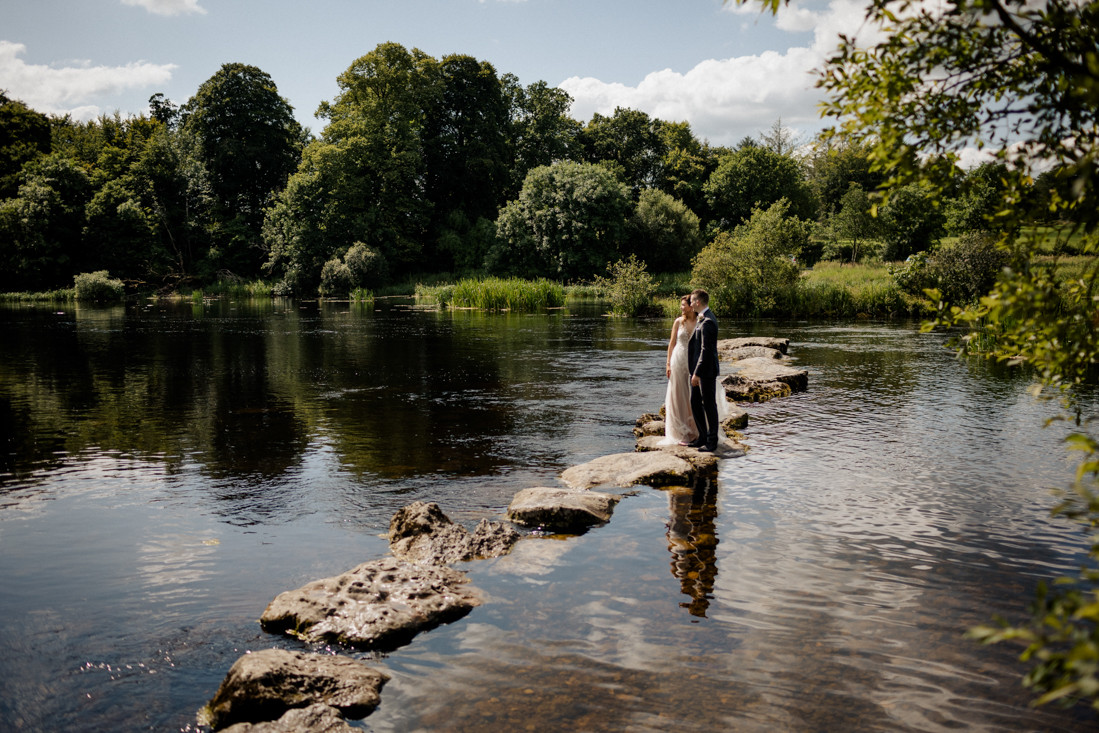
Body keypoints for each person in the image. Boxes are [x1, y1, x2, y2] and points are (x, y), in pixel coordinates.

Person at [659, 296, 699, 446]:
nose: (681, 308)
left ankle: (695, 430)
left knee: (692, 396)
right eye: (681, 305)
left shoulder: (699, 321)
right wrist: (668, 364)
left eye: (683, 305)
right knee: (678, 395)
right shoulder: (678, 322)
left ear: (691, 306)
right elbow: (671, 344)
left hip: (693, 361)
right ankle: (680, 432)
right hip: (678, 361)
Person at [687, 289, 720, 452]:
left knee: (709, 405)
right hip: (698, 370)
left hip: (706, 371)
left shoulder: (708, 321)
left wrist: (697, 373)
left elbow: (706, 350)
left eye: (692, 301)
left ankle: (712, 442)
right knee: (695, 403)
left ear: (698, 302)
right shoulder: (703, 318)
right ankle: (702, 437)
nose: (690, 303)